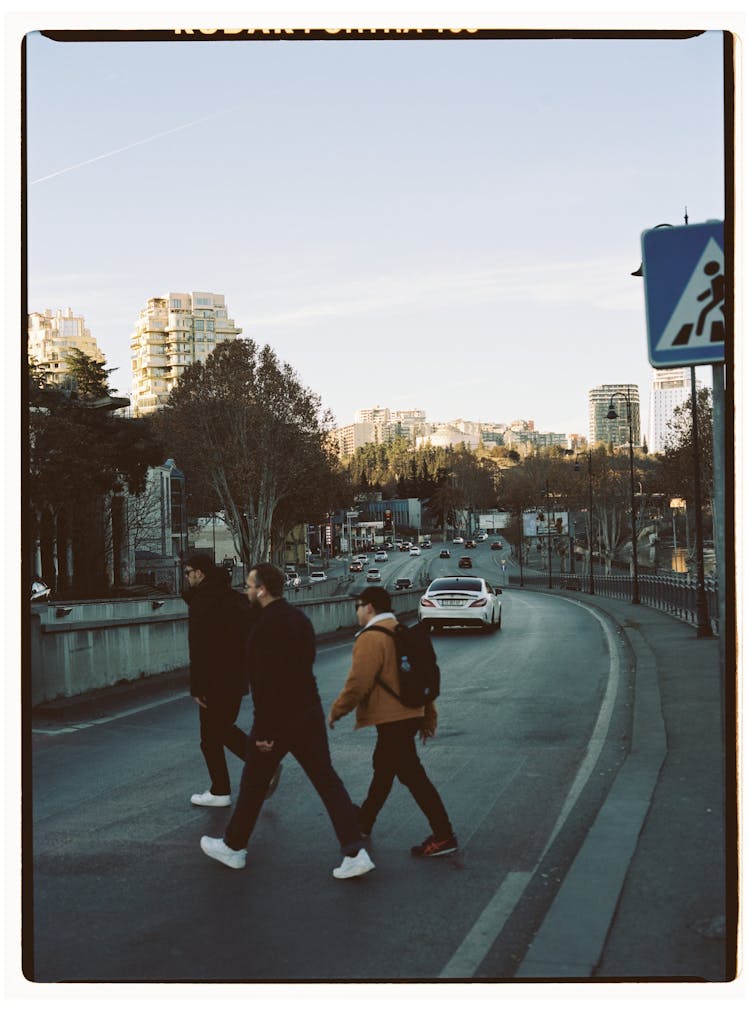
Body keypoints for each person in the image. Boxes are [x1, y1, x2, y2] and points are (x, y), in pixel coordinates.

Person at [200, 562, 374, 879]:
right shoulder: (299, 620)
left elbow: (266, 684)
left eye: (250, 585)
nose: (246, 590)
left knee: (253, 783)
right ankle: (354, 851)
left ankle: (234, 846)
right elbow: (302, 669)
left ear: (263, 589)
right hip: (308, 713)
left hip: (278, 720)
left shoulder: (264, 629)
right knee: (326, 781)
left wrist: (265, 731)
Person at [328, 586, 458, 858]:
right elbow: (419, 678)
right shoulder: (401, 631)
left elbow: (358, 683)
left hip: (393, 719)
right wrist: (427, 716)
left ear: (370, 607)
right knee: (384, 769)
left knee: (412, 776)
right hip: (409, 715)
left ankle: (444, 835)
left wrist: (337, 711)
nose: (357, 611)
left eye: (359, 605)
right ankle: (364, 821)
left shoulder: (370, 638)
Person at [182, 554, 281, 808]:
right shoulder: (234, 599)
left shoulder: (203, 603)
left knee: (210, 738)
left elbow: (199, 648)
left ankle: (220, 790)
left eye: (188, 572)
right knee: (224, 730)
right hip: (236, 679)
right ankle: (263, 766)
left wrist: (198, 687)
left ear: (200, 573)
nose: (186, 577)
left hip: (214, 681)